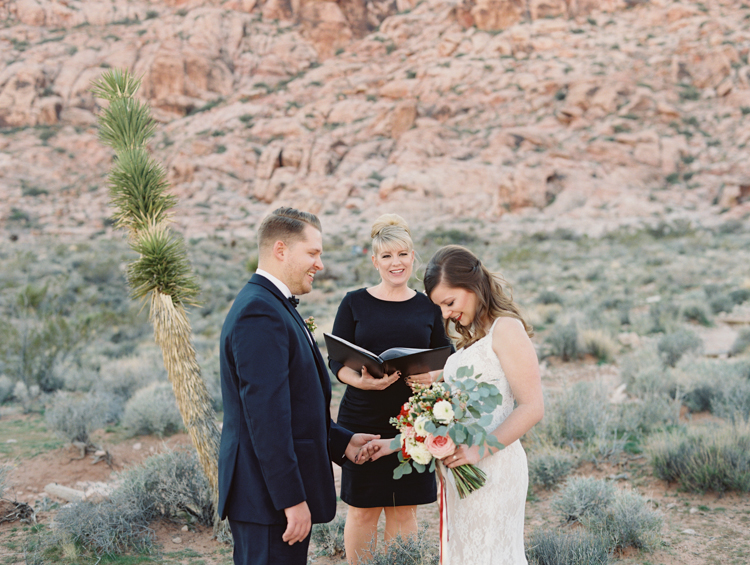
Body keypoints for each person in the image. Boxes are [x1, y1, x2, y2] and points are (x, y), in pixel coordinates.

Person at [218, 207, 380, 565]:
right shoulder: (259, 313)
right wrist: (291, 500)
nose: (319, 264)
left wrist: (343, 440)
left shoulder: (273, 305)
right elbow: (266, 418)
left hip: (270, 498)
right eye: (313, 252)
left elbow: (294, 407)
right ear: (280, 250)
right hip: (267, 502)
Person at [328, 214, 453, 565]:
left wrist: (433, 377)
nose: (395, 263)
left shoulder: (429, 305)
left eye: (401, 254)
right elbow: (336, 363)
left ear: (413, 256)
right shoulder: (353, 302)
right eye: (386, 256)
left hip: (414, 421)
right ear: (374, 261)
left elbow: (449, 360)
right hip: (360, 420)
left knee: (404, 511)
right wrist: (361, 380)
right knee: (362, 511)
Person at [423, 244, 544, 564]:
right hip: (460, 471)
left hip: (494, 466)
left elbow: (532, 407)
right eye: (440, 307)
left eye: (449, 302)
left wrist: (478, 451)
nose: (446, 314)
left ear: (472, 285)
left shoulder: (506, 328)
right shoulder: (471, 340)